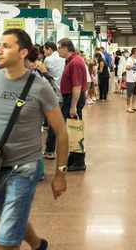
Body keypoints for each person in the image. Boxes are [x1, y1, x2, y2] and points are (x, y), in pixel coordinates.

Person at [0, 29, 68, 249]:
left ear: (23, 52)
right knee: (10, 220)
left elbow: (61, 131)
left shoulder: (40, 86)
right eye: (0, 45)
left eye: (6, 46)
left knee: (7, 238)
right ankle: (38, 245)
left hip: (25, 167)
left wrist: (60, 173)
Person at [58, 38, 88, 172]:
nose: (57, 50)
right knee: (71, 129)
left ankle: (79, 161)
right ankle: (74, 156)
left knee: (75, 130)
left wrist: (73, 106)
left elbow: (77, 86)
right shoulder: (71, 61)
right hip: (70, 98)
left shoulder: (75, 62)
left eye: (58, 48)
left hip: (72, 98)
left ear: (65, 49)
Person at [43, 42, 68, 159]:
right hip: (66, 95)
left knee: (53, 125)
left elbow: (44, 76)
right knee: (65, 125)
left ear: (49, 49)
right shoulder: (65, 60)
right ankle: (64, 151)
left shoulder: (48, 60)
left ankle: (50, 150)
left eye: (44, 50)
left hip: (55, 96)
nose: (44, 53)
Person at [125, 47, 136, 113]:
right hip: (130, 79)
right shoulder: (129, 59)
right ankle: (128, 107)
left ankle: (133, 105)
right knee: (129, 94)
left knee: (135, 93)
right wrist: (132, 67)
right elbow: (127, 67)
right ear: (135, 52)